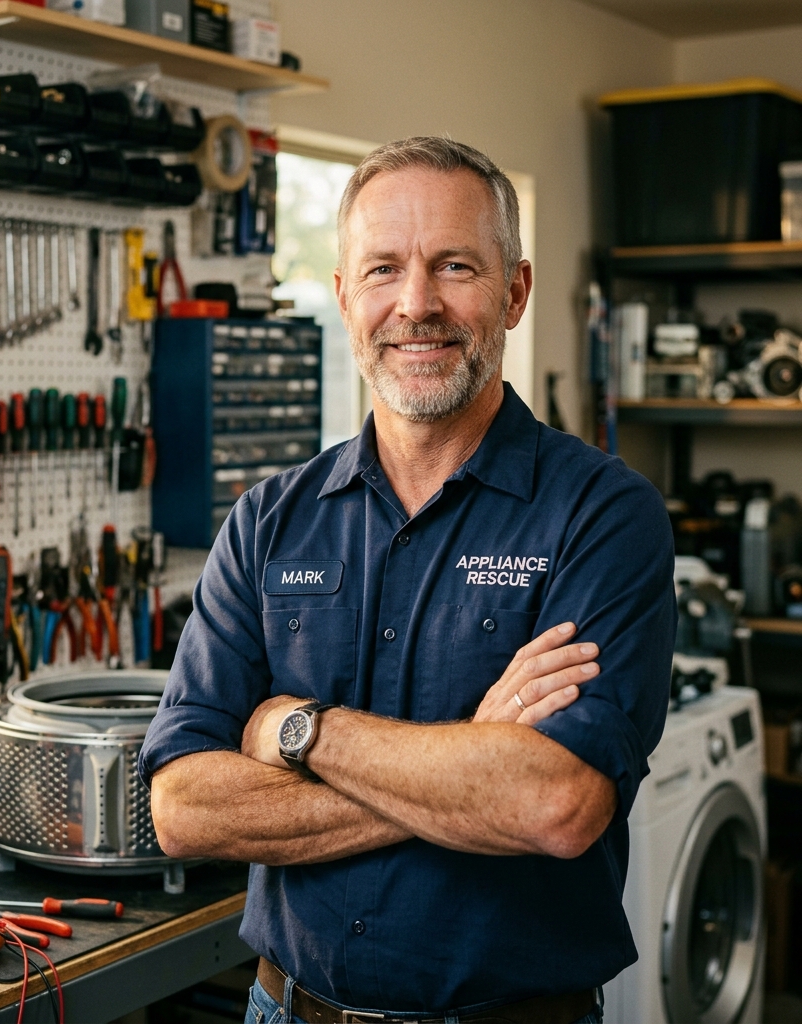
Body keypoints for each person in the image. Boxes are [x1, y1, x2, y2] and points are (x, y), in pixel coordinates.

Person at [139, 136, 676, 1024]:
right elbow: (185, 809)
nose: (416, 304)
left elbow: (555, 804)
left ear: (515, 292)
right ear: (345, 296)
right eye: (382, 269)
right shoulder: (268, 520)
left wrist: (297, 729)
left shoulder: (605, 515)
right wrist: (471, 763)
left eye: (455, 265)